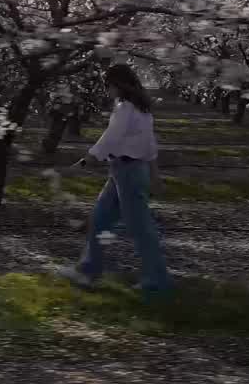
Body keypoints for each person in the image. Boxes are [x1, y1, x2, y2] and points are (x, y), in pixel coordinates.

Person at [59, 63, 173, 295]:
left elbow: (110, 138)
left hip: (128, 172)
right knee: (100, 220)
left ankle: (157, 280)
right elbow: (150, 145)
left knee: (140, 228)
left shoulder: (125, 108)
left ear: (117, 84)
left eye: (107, 85)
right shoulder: (142, 108)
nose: (106, 90)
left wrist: (85, 161)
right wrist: (154, 174)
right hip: (124, 171)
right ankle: (88, 271)